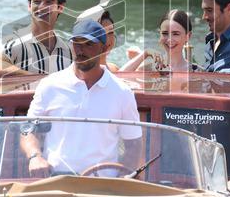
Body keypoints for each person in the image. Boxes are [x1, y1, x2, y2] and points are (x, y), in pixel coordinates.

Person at [22, 19, 143, 177]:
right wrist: (35, 157)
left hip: (102, 188)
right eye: (77, 43)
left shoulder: (122, 92)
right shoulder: (49, 86)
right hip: (56, 181)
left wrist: (119, 182)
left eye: (89, 44)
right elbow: (28, 130)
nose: (81, 50)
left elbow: (134, 145)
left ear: (104, 48)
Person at [0, 0, 72, 78]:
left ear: (60, 8)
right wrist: (37, 79)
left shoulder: (68, 51)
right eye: (37, 1)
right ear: (29, 6)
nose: (42, 7)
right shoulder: (12, 42)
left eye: (49, 2)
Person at [122, 9, 198, 72]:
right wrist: (145, 53)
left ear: (188, 36)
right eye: (165, 33)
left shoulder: (197, 71)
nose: (169, 39)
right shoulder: (149, 67)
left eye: (175, 34)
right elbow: (117, 80)